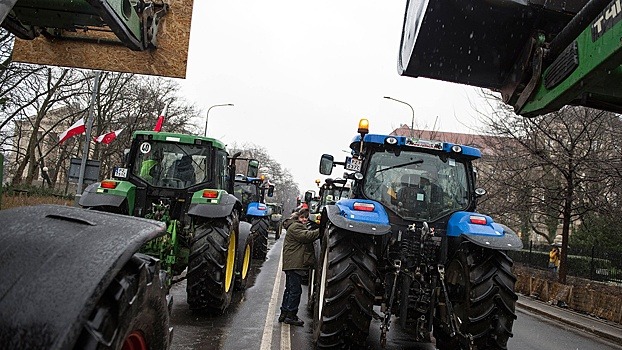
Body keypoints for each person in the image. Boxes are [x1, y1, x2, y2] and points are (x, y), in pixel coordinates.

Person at [278, 208, 320, 326]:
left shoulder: (293, 226)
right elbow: (307, 236)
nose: (305, 220)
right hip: (294, 263)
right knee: (295, 291)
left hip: (291, 263)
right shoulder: (296, 227)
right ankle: (291, 315)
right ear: (297, 217)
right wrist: (321, 230)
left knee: (290, 289)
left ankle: (284, 313)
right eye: (302, 217)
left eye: (306, 217)